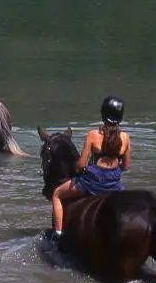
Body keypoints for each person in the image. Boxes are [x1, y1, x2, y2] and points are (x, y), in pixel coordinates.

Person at [50, 96, 131, 242]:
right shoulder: (125, 137)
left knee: (56, 194)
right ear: (121, 116)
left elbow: (81, 165)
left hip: (91, 184)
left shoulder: (92, 135)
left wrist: (82, 168)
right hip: (114, 185)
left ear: (103, 114)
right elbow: (126, 166)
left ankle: (58, 236)